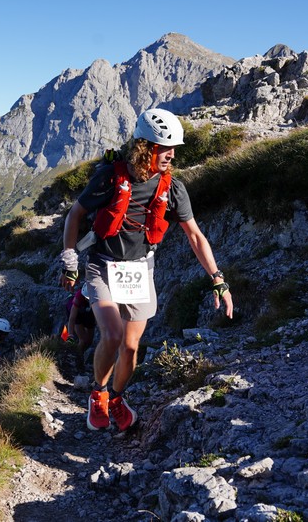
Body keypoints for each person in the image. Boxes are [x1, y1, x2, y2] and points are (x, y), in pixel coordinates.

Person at [59, 108, 233, 432]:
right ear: (145, 147)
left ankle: (116, 398)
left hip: (139, 270)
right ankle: (98, 394)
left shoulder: (173, 188)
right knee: (112, 334)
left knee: (130, 346)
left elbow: (195, 236)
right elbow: (75, 215)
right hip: (102, 266)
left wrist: (218, 279)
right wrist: (70, 264)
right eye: (164, 148)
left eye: (173, 148)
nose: (171, 154)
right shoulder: (110, 177)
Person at [64, 283, 96, 369]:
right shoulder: (79, 297)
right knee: (83, 340)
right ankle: (77, 360)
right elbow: (72, 319)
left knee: (89, 341)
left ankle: (80, 356)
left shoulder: (99, 296)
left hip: (89, 312)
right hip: (77, 313)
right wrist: (70, 335)